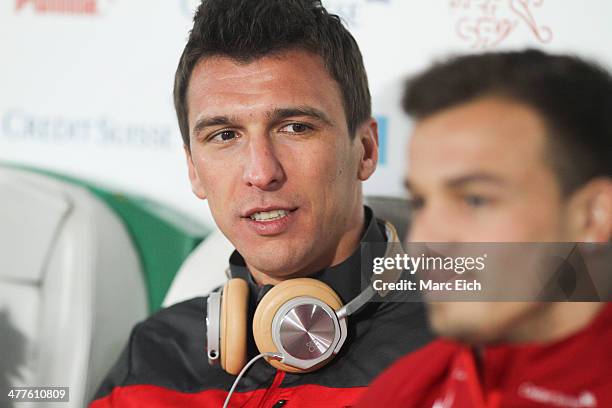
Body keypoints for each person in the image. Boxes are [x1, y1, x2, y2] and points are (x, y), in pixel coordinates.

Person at [90, 1, 432, 406]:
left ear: (366, 150)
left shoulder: (470, 351)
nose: (261, 172)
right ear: (194, 170)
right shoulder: (153, 353)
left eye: (295, 127)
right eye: (224, 135)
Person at [357, 49, 612, 407]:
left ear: (592, 216)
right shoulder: (404, 391)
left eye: (475, 200)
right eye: (420, 202)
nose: (426, 240)